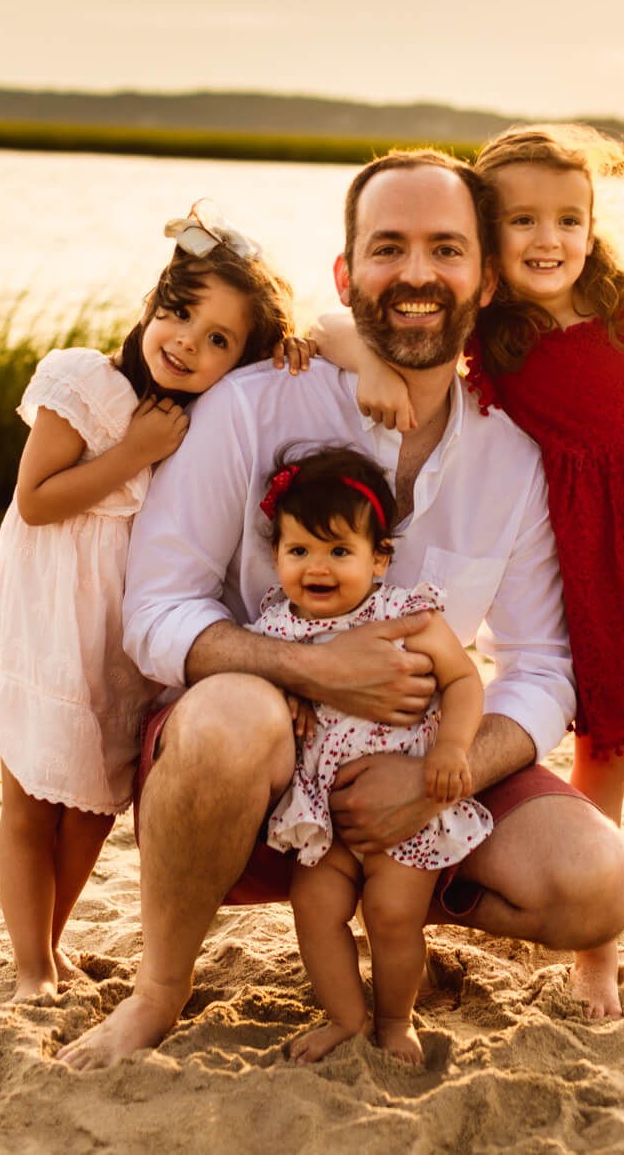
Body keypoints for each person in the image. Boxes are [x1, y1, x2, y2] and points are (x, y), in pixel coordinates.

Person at [58, 150, 624, 1069]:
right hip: (249, 775)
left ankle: (393, 896)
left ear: (485, 280)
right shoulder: (254, 404)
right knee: (230, 716)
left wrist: (438, 780)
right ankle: (158, 990)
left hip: (411, 780)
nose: (415, 274)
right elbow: (156, 612)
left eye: (445, 249)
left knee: (599, 883)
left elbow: (541, 669)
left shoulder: (514, 457)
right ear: (345, 274)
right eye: (388, 248)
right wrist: (306, 666)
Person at [321, 124, 624, 1019]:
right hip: (594, 553)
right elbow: (335, 320)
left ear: (591, 225)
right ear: (489, 240)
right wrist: (370, 357)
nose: (548, 239)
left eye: (568, 219)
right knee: (602, 746)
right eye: (524, 220)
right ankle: (597, 948)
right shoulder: (492, 336)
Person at [0, 201, 297, 1001]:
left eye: (219, 339)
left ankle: (51, 940)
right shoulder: (85, 381)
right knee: (29, 800)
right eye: (179, 314)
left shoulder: (202, 420)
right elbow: (39, 500)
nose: (187, 341)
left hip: (114, 643)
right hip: (47, 628)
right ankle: (28, 965)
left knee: (89, 808)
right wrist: (134, 452)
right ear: (151, 305)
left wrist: (299, 349)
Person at [253, 445, 494, 1066]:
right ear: (276, 555)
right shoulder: (277, 631)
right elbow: (259, 686)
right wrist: (287, 693)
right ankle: (345, 1017)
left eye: (339, 551)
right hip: (325, 816)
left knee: (391, 916)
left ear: (380, 558)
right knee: (315, 908)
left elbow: (465, 681)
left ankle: (394, 1020)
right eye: (298, 550)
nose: (317, 567)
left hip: (405, 811)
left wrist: (452, 747)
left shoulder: (408, 616)